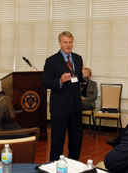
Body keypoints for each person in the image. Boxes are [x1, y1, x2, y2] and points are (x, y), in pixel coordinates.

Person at [42, 31, 88, 161]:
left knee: (76, 141)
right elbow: (45, 82)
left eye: (70, 42)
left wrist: (83, 76)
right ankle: (54, 166)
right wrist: (59, 81)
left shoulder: (78, 58)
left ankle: (74, 165)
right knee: (57, 142)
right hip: (59, 107)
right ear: (60, 43)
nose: (68, 45)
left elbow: (77, 78)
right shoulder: (51, 61)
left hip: (75, 106)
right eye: (65, 42)